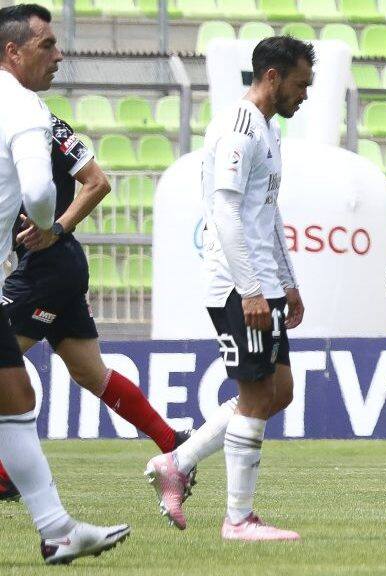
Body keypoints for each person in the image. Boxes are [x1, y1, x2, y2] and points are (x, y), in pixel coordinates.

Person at [144, 36, 312, 541]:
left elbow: (268, 211)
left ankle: (178, 461)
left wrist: (288, 282)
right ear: (273, 76)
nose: (304, 95)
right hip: (240, 284)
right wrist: (253, 289)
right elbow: (226, 212)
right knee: (257, 395)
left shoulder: (268, 130)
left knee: (277, 391)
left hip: (262, 281)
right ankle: (238, 519)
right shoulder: (240, 129)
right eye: (301, 84)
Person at [0, 109, 194, 506]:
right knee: (93, 374)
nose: (56, 59)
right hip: (57, 266)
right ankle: (172, 442)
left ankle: (5, 477)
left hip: (45, 268)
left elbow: (97, 182)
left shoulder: (38, 123)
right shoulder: (30, 120)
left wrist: (55, 228)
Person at [0, 4, 129, 563]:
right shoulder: (23, 107)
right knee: (15, 400)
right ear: (14, 51)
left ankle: (57, 531)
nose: (58, 55)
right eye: (47, 45)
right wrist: (50, 228)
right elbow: (40, 188)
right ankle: (57, 530)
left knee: (15, 399)